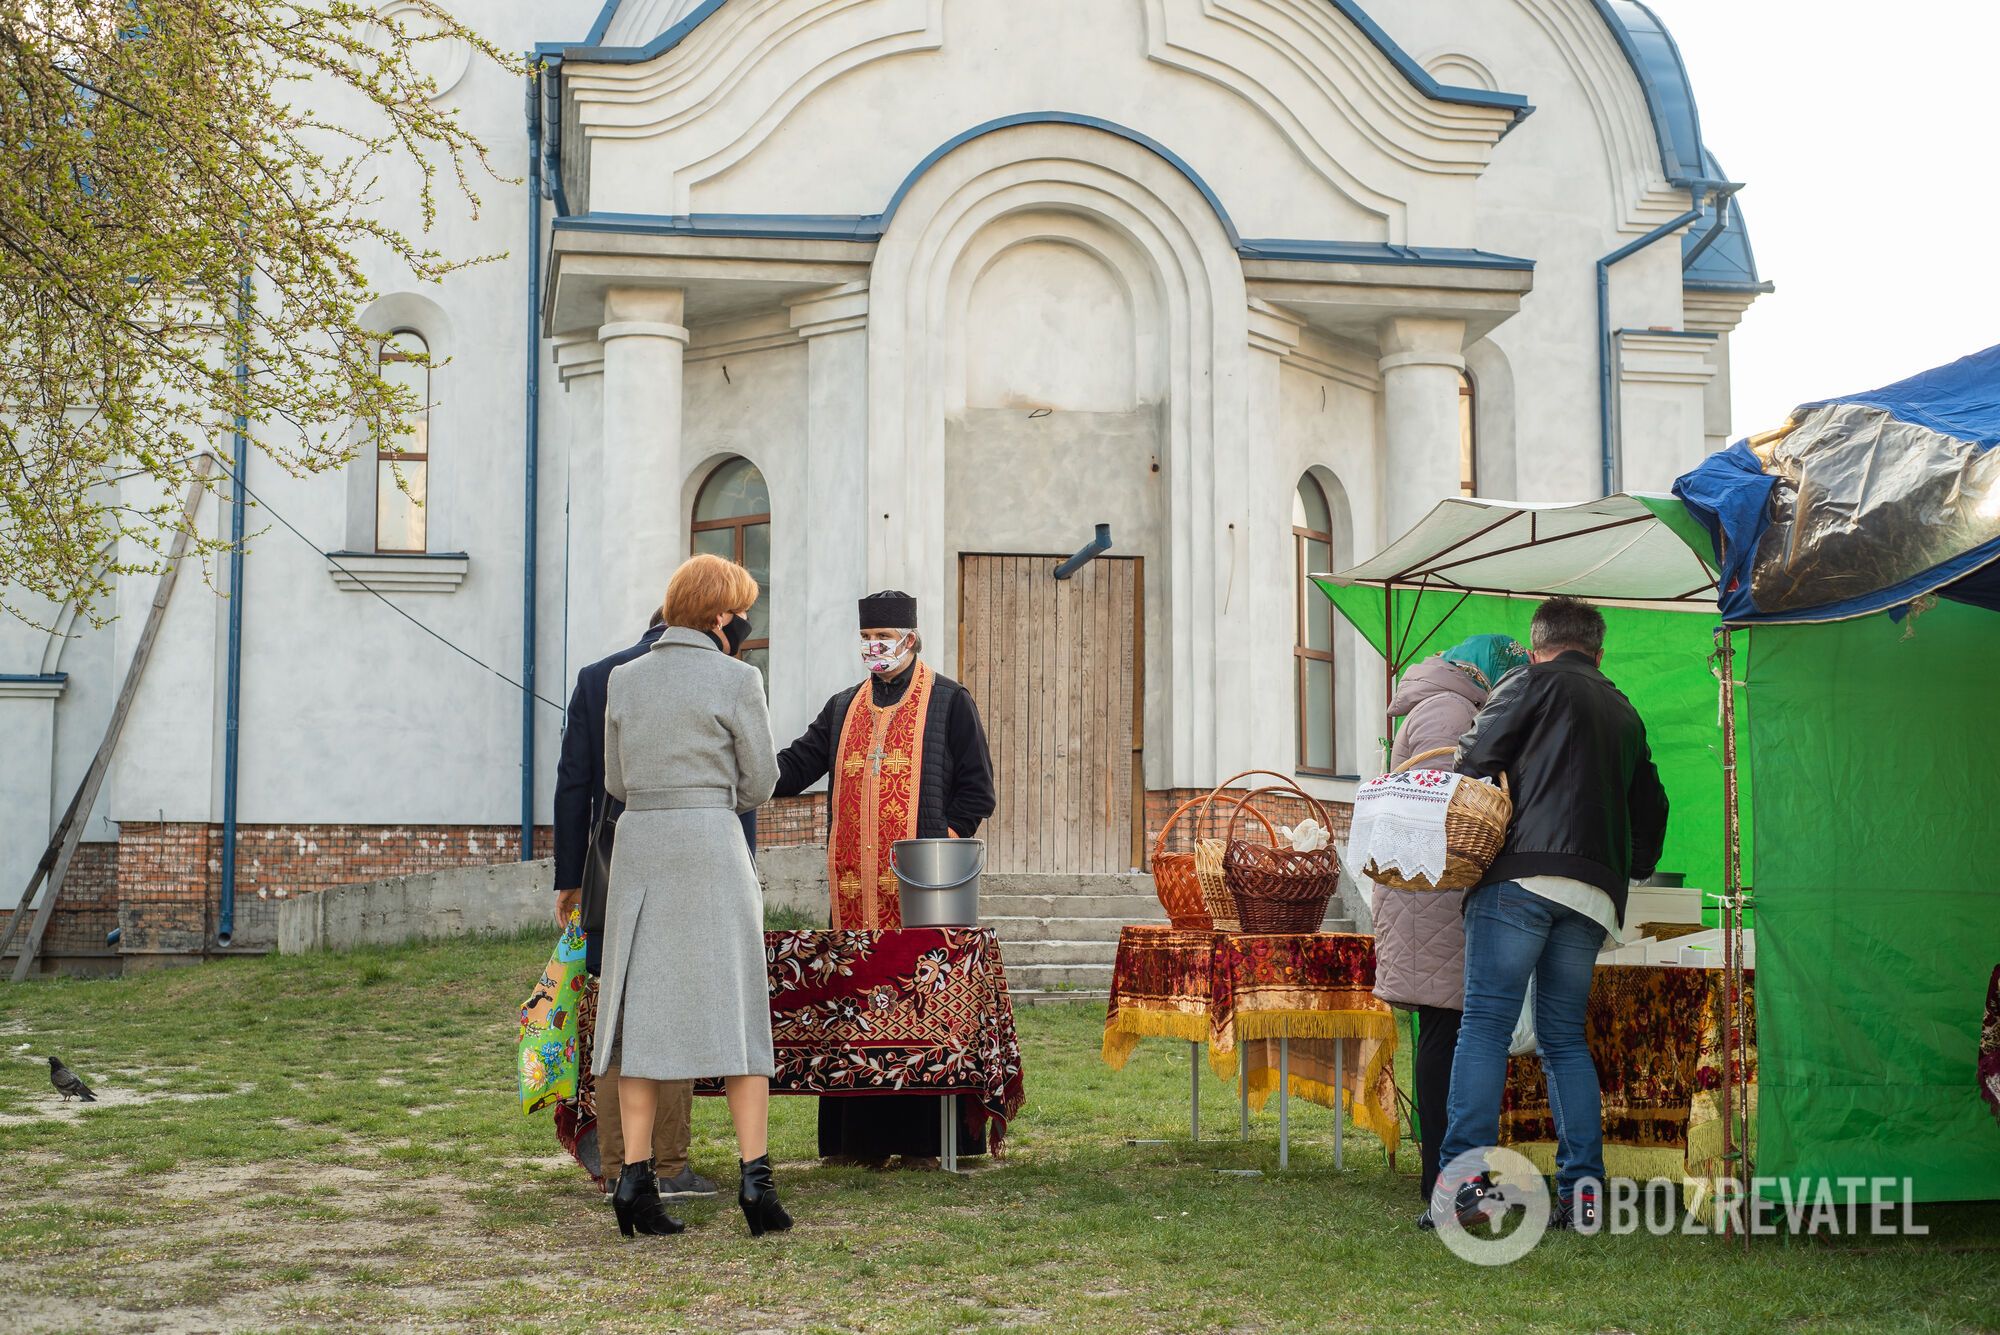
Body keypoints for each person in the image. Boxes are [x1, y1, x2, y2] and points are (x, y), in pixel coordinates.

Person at [1434, 597, 1668, 1233]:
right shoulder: (1623, 707)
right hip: (1594, 892)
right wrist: (1634, 865)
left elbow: (1474, 758)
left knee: (1485, 1026)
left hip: (1519, 877)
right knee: (1564, 1040)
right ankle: (1585, 1197)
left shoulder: (1526, 682)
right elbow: (1653, 804)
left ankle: (1462, 1191)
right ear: (1599, 649)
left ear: (1537, 646)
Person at [592, 554, 789, 1238]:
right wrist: (711, 799)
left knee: (641, 1026)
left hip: (641, 849)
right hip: (711, 846)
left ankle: (633, 1184)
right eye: (741, 610)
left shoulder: (624, 678)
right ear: (720, 616)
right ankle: (756, 1183)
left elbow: (615, 779)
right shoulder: (738, 677)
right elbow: (762, 779)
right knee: (737, 1017)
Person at [773, 590, 996, 1168]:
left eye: (885, 640)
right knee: (853, 1008)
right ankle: (860, 1144)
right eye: (866, 639)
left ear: (911, 641)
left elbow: (978, 789)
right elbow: (797, 766)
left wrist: (946, 840)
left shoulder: (949, 701)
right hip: (852, 896)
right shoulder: (843, 706)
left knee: (921, 1005)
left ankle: (928, 1143)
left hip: (922, 891)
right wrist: (742, 767)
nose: (875, 649)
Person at [553, 608, 756, 1201]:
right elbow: (743, 784)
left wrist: (568, 877)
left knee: (623, 1013)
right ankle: (669, 1166)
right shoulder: (717, 674)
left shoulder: (601, 676)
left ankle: (621, 1166)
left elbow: (577, 781)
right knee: (681, 1003)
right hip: (700, 865)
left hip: (617, 865)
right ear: (708, 620)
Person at [1371, 633, 1529, 1221]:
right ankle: (1447, 1180)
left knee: (1448, 1034)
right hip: (1433, 895)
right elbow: (1448, 804)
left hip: (1431, 895)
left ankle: (1451, 1175)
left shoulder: (1451, 704)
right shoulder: (1449, 709)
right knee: (1447, 1035)